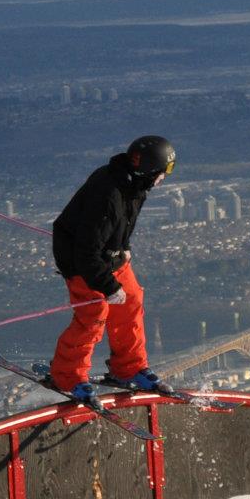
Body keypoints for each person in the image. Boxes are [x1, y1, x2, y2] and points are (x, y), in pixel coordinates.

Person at [46, 135, 177, 401]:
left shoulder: (134, 185)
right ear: (149, 169)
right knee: (95, 312)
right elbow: (86, 252)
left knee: (132, 300)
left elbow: (124, 222)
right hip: (82, 262)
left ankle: (129, 368)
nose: (165, 177)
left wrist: (123, 246)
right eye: (165, 171)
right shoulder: (108, 194)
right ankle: (68, 375)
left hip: (107, 254)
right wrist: (108, 286)